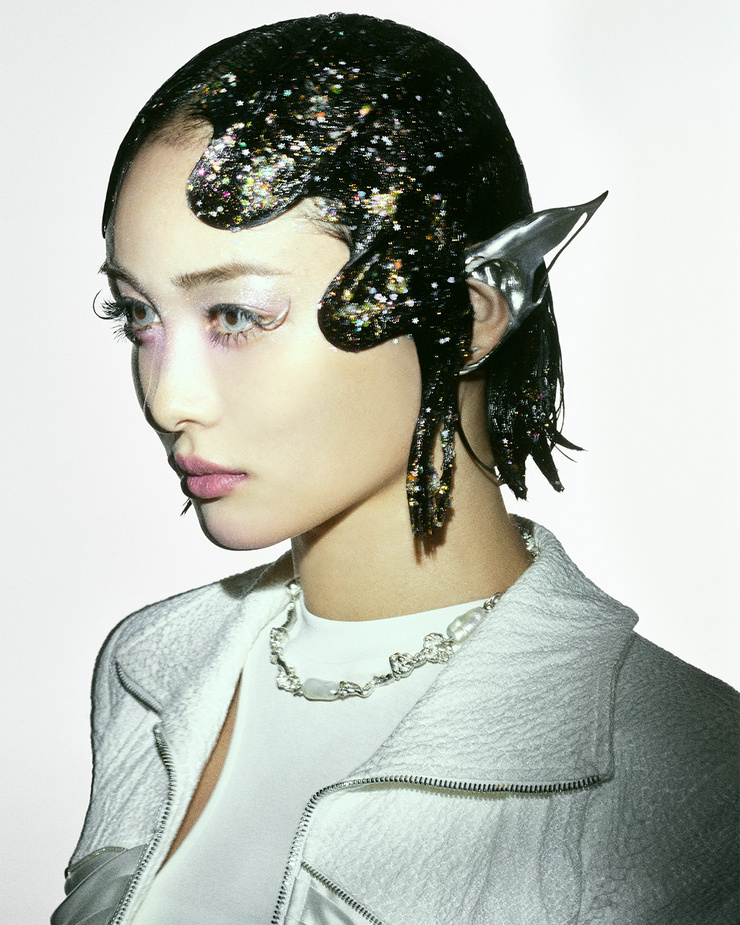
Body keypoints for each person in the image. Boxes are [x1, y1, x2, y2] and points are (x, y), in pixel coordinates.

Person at [51, 13, 738, 925]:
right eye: (137, 315)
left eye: (238, 314)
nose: (170, 396)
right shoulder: (149, 668)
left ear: (473, 313)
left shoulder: (686, 767)